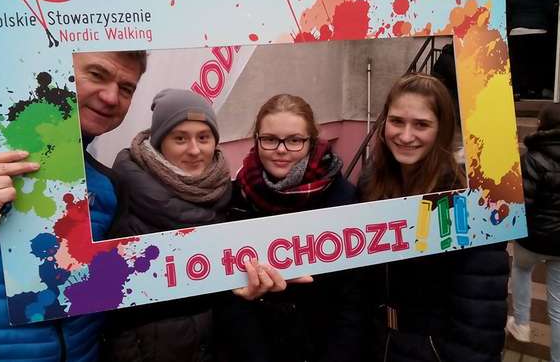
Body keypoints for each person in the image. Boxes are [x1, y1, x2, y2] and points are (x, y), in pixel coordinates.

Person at [0, 50, 146, 362]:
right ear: (52, 69)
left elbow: (115, 297)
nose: (111, 97)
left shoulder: (110, 185)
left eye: (126, 88)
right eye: (97, 75)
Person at [105, 88, 286, 362]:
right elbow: (114, 313)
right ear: (159, 143)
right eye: (180, 138)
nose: (194, 150)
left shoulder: (228, 195)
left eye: (203, 137)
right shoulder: (121, 197)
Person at [357, 73, 508, 362]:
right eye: (397, 121)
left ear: (441, 129)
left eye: (421, 124)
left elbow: (480, 314)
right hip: (376, 344)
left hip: (433, 351)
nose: (405, 136)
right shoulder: (369, 183)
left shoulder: (468, 201)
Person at [217, 93, 365, 362]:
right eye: (270, 139)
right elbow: (224, 294)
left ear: (311, 142)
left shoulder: (342, 199)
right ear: (257, 140)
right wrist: (247, 296)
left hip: (321, 345)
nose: (281, 150)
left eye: (295, 140)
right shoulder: (236, 197)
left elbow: (353, 298)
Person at [506, 102, 560, 362]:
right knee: (558, 305)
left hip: (533, 239)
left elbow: (523, 202)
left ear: (541, 125)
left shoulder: (531, 159)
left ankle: (521, 323)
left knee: (521, 269)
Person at [507, 0, 556, 99]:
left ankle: (517, 91)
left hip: (517, 31)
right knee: (537, 63)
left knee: (518, 64)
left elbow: (508, 12)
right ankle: (535, 91)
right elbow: (550, 10)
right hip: (538, 30)